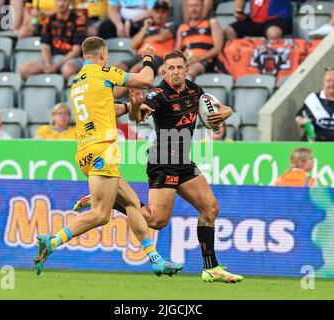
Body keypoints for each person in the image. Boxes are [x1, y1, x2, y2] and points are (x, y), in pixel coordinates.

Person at [75, 50, 244, 283]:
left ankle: (211, 268)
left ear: (186, 69)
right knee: (156, 221)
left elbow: (219, 108)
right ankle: (112, 200)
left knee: (210, 208)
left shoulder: (195, 90)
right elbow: (139, 115)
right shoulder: (158, 94)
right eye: (170, 68)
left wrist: (226, 112)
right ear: (163, 71)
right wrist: (135, 106)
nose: (175, 72)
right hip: (163, 161)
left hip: (184, 161)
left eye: (179, 67)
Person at [33, 37, 183, 277]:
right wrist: (147, 58)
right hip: (103, 149)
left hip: (84, 151)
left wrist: (128, 106)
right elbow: (145, 80)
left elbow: (108, 109)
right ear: (103, 56)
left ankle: (155, 259)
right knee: (101, 215)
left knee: (133, 203)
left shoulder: (77, 81)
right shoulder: (104, 72)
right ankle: (52, 241)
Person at [113, 0, 175, 98]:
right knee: (117, 66)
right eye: (157, 12)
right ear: (152, 13)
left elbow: (162, 36)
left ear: (167, 14)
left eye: (163, 12)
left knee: (137, 68)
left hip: (157, 57)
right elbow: (133, 44)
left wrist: (145, 39)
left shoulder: (171, 25)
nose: (159, 15)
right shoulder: (147, 28)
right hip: (139, 55)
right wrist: (145, 27)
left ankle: (114, 96)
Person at [19, 0, 87, 80]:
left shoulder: (78, 19)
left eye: (64, 1)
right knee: (24, 69)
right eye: (58, 1)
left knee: (67, 70)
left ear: (69, 2)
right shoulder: (49, 19)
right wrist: (48, 65)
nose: (61, 4)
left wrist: (55, 66)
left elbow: (76, 51)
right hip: (53, 57)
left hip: (73, 58)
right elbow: (45, 47)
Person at [295, 67, 334, 142]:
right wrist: (302, 121)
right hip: (315, 146)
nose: (332, 84)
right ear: (323, 84)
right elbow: (299, 117)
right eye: (328, 81)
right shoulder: (312, 99)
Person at [175, 0, 223, 80]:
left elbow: (218, 48)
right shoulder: (182, 27)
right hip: (186, 61)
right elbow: (176, 51)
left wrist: (200, 57)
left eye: (196, 6)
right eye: (191, 6)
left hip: (205, 60)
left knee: (189, 72)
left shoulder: (211, 23)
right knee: (162, 70)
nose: (193, 9)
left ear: (202, 7)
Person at [224, 0, 293, 42]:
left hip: (278, 18)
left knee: (273, 33)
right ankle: (235, 62)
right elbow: (239, 5)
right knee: (229, 31)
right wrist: (238, 10)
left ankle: (271, 63)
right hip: (254, 19)